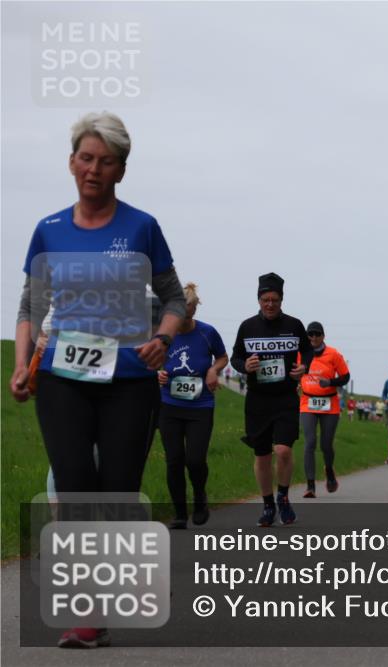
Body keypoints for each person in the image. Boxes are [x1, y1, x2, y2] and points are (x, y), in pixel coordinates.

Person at [8, 112, 185, 648]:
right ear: (71, 163)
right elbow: (30, 306)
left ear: (121, 170)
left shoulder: (142, 227)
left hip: (129, 380)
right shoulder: (50, 229)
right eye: (86, 158)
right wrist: (21, 364)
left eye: (106, 161)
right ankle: (87, 613)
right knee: (75, 488)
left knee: (117, 494)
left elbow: (173, 299)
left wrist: (164, 338)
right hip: (63, 377)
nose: (94, 169)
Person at [230, 273, 311, 527]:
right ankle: (268, 505)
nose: (270, 304)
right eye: (265, 300)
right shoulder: (247, 327)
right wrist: (245, 366)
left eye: (275, 300)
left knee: (283, 450)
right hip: (258, 399)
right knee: (262, 455)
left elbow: (308, 351)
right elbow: (235, 357)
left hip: (285, 397)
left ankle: (283, 497)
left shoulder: (294, 325)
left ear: (281, 300)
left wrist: (304, 367)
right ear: (259, 300)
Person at [157, 283, 228, 529]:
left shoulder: (207, 332)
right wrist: (157, 372)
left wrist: (213, 370)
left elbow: (222, 357)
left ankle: (200, 497)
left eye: (187, 316)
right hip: (169, 404)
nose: (182, 322)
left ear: (194, 310)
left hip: (200, 406)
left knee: (195, 460)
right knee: (174, 460)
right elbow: (148, 357)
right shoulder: (162, 332)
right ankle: (179, 513)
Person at [298, 321, 350, 497]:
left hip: (329, 403)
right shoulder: (300, 354)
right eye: (310, 334)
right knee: (310, 442)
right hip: (307, 402)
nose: (313, 337)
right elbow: (293, 371)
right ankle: (310, 486)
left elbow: (345, 377)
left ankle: (329, 470)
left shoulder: (333, 354)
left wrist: (330, 382)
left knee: (326, 445)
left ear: (323, 336)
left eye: (317, 334)